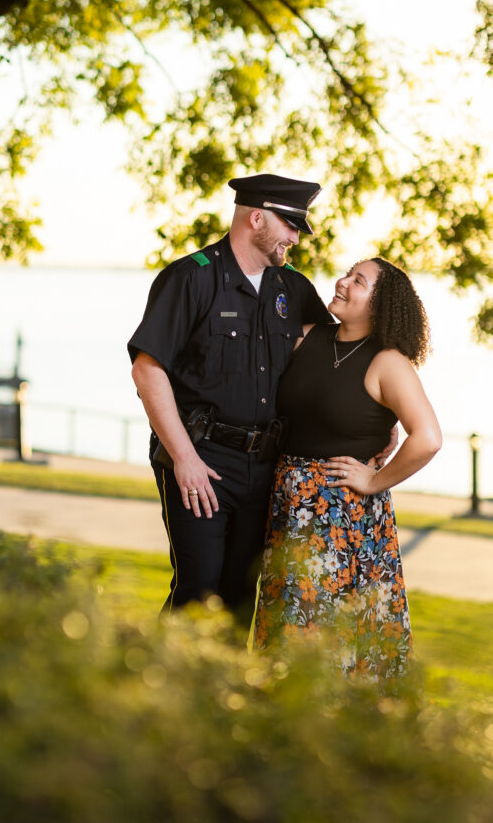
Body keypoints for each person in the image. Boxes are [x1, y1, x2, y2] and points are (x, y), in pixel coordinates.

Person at [128, 172, 333, 620]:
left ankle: (221, 692)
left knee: (241, 598)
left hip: (265, 464)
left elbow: (339, 354)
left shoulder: (292, 288)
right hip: (202, 457)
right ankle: (154, 688)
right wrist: (183, 458)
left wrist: (385, 415)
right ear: (257, 218)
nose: (295, 238)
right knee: (198, 593)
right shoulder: (191, 279)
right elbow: (147, 371)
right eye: (290, 225)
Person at [252, 257, 442, 679]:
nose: (342, 282)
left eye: (358, 281)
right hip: (289, 508)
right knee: (285, 626)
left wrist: (374, 480)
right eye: (347, 273)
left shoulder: (388, 362)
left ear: (380, 305)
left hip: (344, 519)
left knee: (330, 633)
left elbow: (427, 438)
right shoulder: (307, 338)